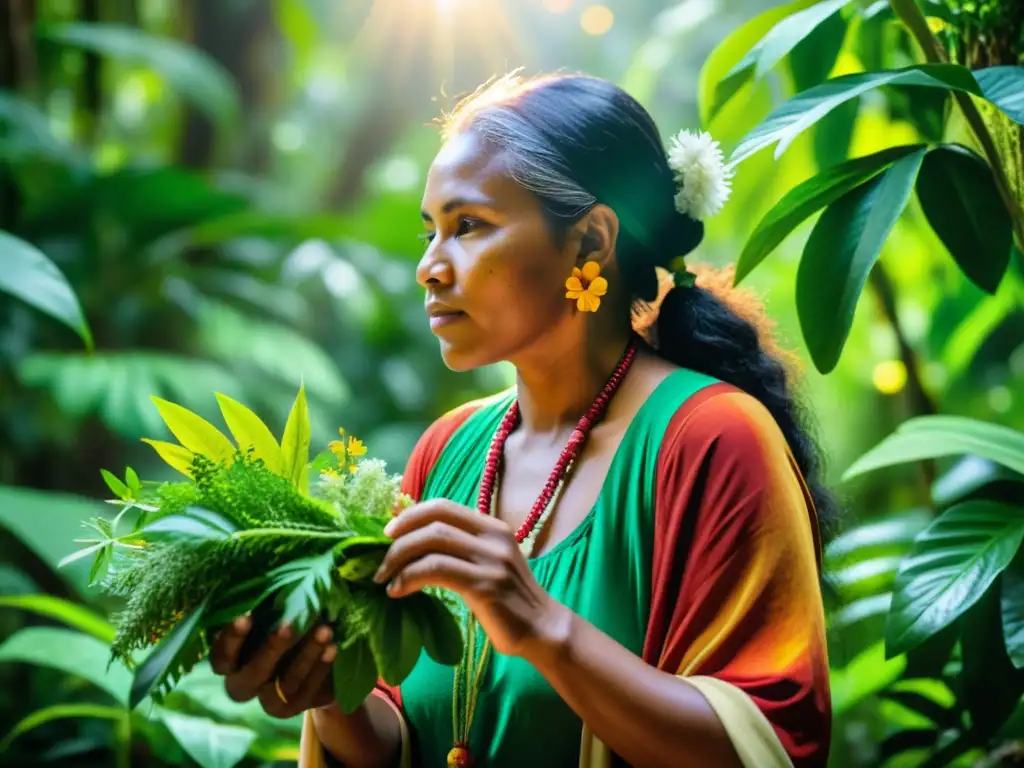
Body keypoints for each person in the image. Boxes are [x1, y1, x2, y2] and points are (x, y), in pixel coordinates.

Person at [209, 72, 834, 768]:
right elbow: (397, 739)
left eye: (468, 226)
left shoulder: (712, 439)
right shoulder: (447, 451)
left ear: (591, 241)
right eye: (430, 232)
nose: (428, 268)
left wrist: (542, 625)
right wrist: (327, 692)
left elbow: (770, 747)